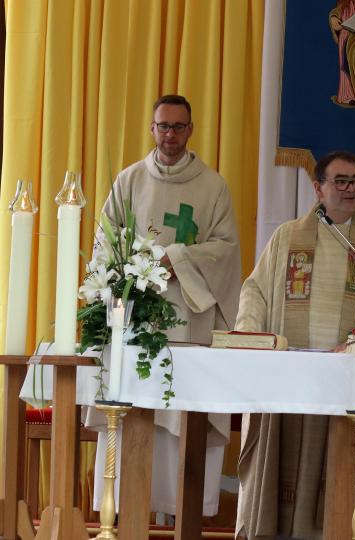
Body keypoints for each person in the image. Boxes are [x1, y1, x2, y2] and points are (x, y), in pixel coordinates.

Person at [235, 150, 355, 540]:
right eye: (340, 181)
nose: (350, 189)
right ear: (318, 188)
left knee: (334, 469)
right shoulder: (288, 237)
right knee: (281, 465)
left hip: (344, 378)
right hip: (289, 376)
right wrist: (249, 333)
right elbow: (256, 290)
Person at [93, 94, 242, 517]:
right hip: (137, 320)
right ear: (152, 129)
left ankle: (182, 510)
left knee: (181, 410)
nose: (170, 135)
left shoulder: (212, 186)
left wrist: (176, 258)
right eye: (163, 126)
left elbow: (227, 249)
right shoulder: (130, 180)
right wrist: (135, 271)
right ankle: (126, 507)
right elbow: (105, 241)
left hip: (188, 317)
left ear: (190, 130)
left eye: (178, 127)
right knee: (137, 409)